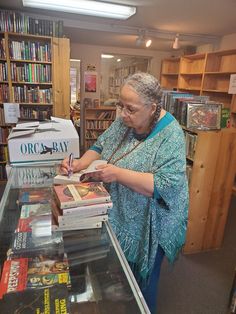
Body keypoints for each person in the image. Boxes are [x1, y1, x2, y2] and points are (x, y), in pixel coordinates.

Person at [61, 72, 189, 313]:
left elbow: (165, 184)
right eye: (121, 105)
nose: (122, 114)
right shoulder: (125, 120)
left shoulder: (172, 134)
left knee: (145, 281)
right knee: (123, 272)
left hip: (156, 219)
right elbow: (101, 144)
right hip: (125, 210)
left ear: (152, 108)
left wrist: (117, 174)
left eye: (130, 109)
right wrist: (79, 163)